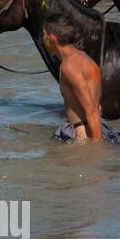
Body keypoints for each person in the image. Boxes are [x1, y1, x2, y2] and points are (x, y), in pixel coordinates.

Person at [42, 15, 103, 143]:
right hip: (91, 128)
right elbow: (97, 108)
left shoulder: (69, 67)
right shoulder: (82, 56)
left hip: (82, 135)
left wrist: (96, 146)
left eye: (43, 35)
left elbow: (91, 110)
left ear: (51, 38)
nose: (42, 39)